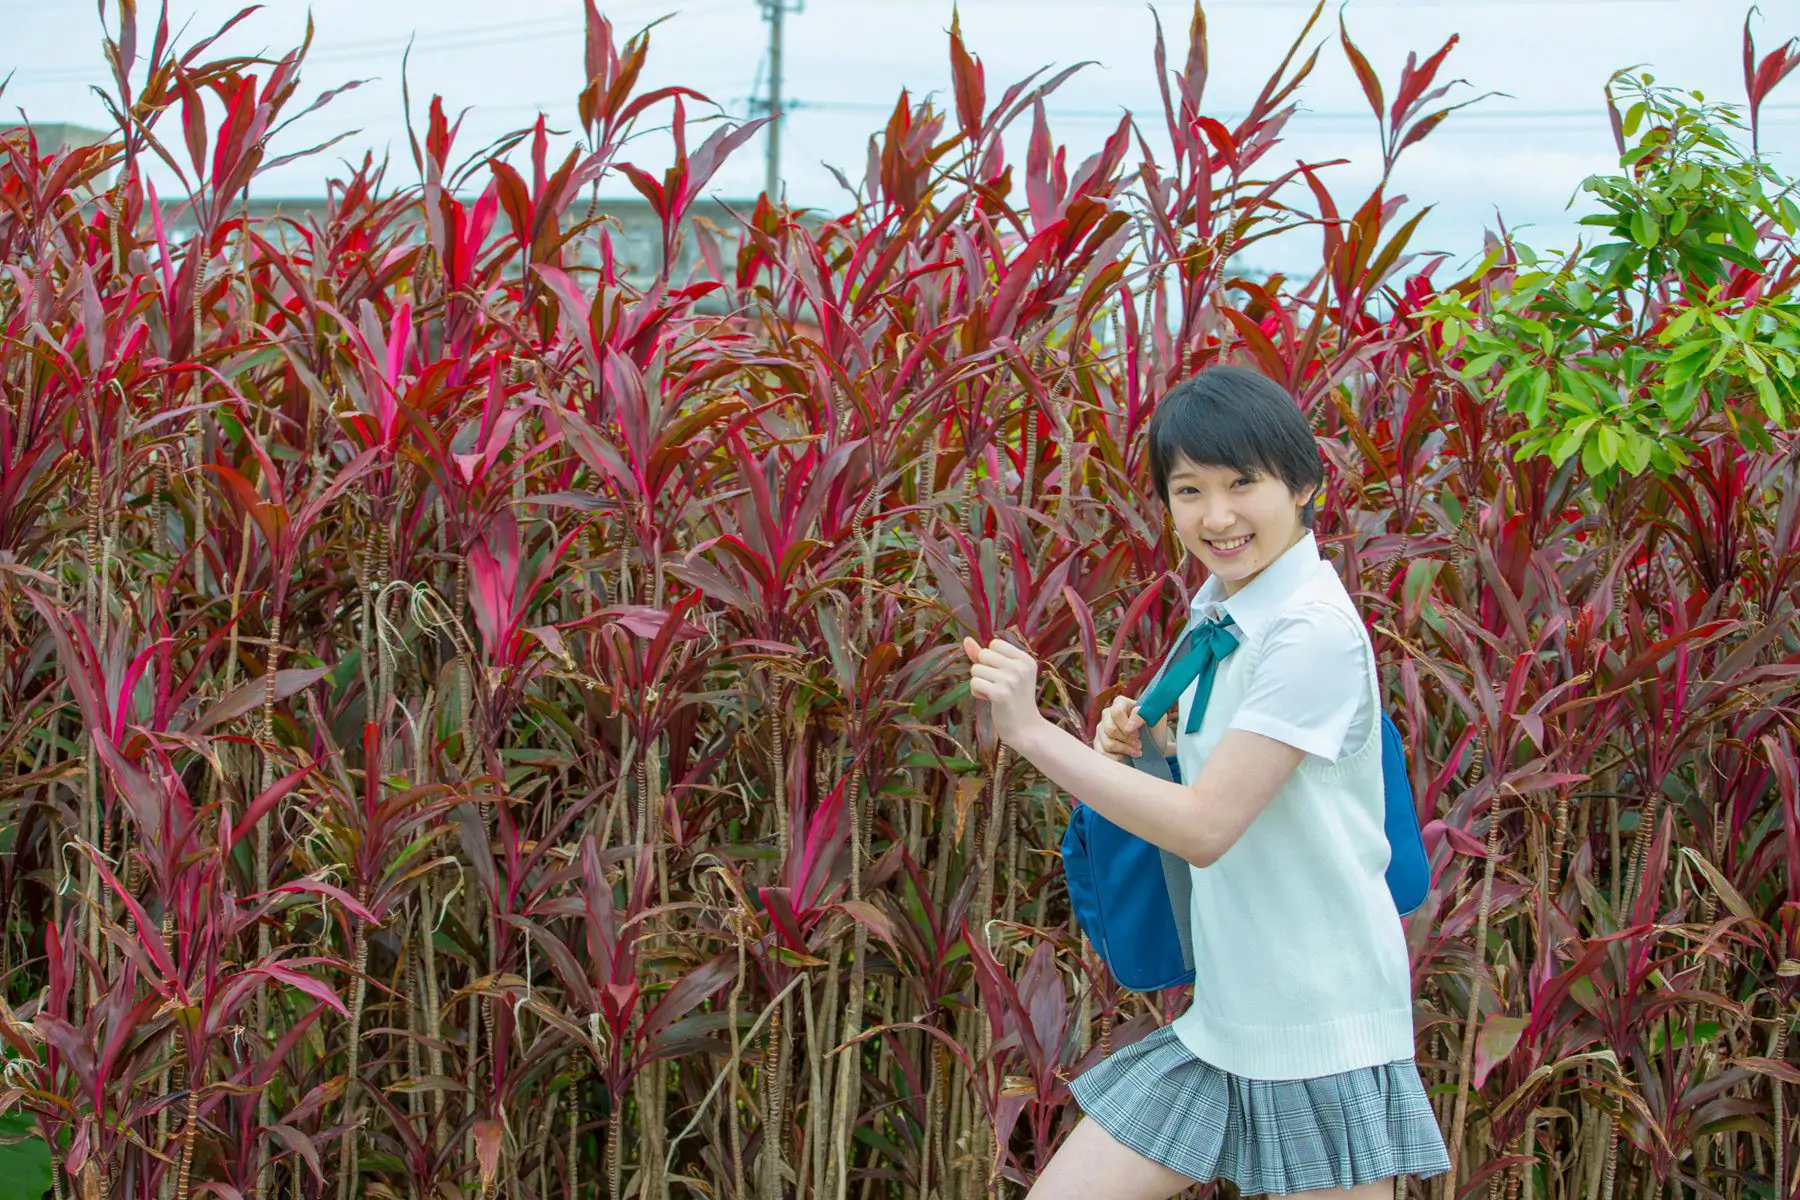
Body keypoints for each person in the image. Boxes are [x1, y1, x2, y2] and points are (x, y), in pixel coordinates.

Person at [962, 364, 1452, 1200]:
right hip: (1232, 1016)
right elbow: (1229, 777)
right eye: (1189, 490)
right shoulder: (1225, 606)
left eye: (1242, 483)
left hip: (1316, 1026)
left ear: (1304, 485)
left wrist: (1033, 732)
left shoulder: (1311, 634)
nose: (1216, 516)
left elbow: (1205, 827)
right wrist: (1154, 741)